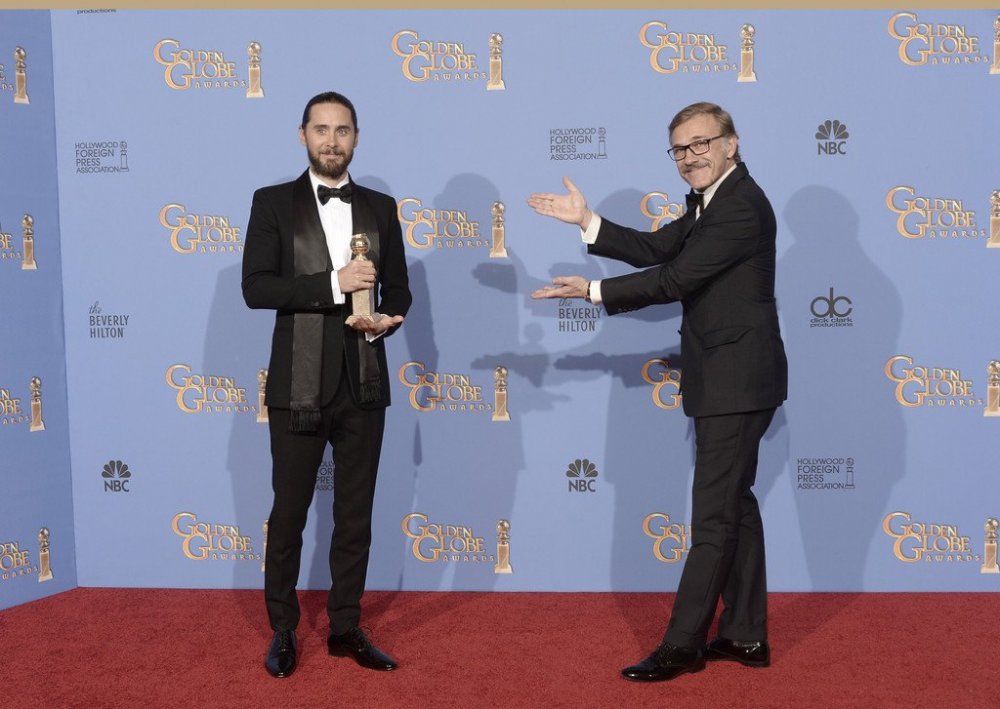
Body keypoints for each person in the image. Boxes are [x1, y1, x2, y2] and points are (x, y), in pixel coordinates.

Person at [528, 102, 787, 683]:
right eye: (680, 148)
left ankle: (682, 645)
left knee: (714, 520)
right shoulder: (710, 204)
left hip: (736, 380)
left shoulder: (740, 206)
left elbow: (676, 280)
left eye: (701, 144)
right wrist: (588, 222)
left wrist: (594, 292)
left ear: (731, 144)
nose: (690, 157)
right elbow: (658, 250)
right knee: (735, 507)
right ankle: (745, 634)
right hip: (728, 377)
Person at [242, 91, 411, 678]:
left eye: (342, 130)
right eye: (321, 129)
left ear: (357, 137)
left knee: (355, 515)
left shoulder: (382, 207)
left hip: (364, 382)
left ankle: (345, 626)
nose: (331, 140)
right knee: (287, 514)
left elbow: (400, 289)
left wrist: (390, 317)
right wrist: (334, 285)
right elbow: (257, 288)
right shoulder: (271, 204)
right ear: (303, 135)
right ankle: (284, 630)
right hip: (298, 385)